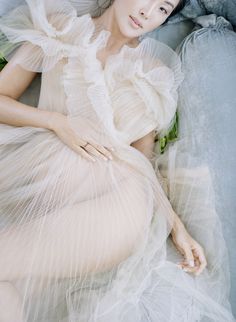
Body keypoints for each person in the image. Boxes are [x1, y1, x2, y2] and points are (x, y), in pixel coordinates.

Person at [0, 0, 234, 321]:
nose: (147, 12)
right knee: (11, 289)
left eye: (163, 9)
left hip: (118, 203)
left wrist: (176, 226)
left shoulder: (154, 72)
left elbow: (142, 162)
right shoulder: (60, 27)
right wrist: (58, 121)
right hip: (43, 181)